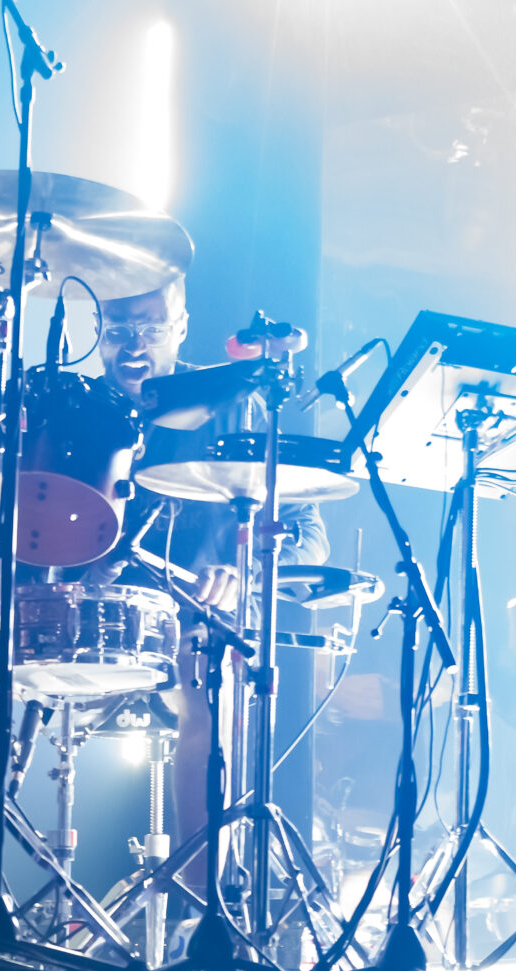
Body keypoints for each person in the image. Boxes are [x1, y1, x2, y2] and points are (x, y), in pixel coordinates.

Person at [75, 275, 331, 846]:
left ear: (182, 327)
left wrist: (245, 573)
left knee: (210, 683)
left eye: (151, 328)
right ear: (96, 330)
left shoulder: (233, 407)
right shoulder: (71, 411)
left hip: (191, 626)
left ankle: (200, 889)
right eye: (118, 330)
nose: (134, 345)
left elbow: (311, 536)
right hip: (83, 618)